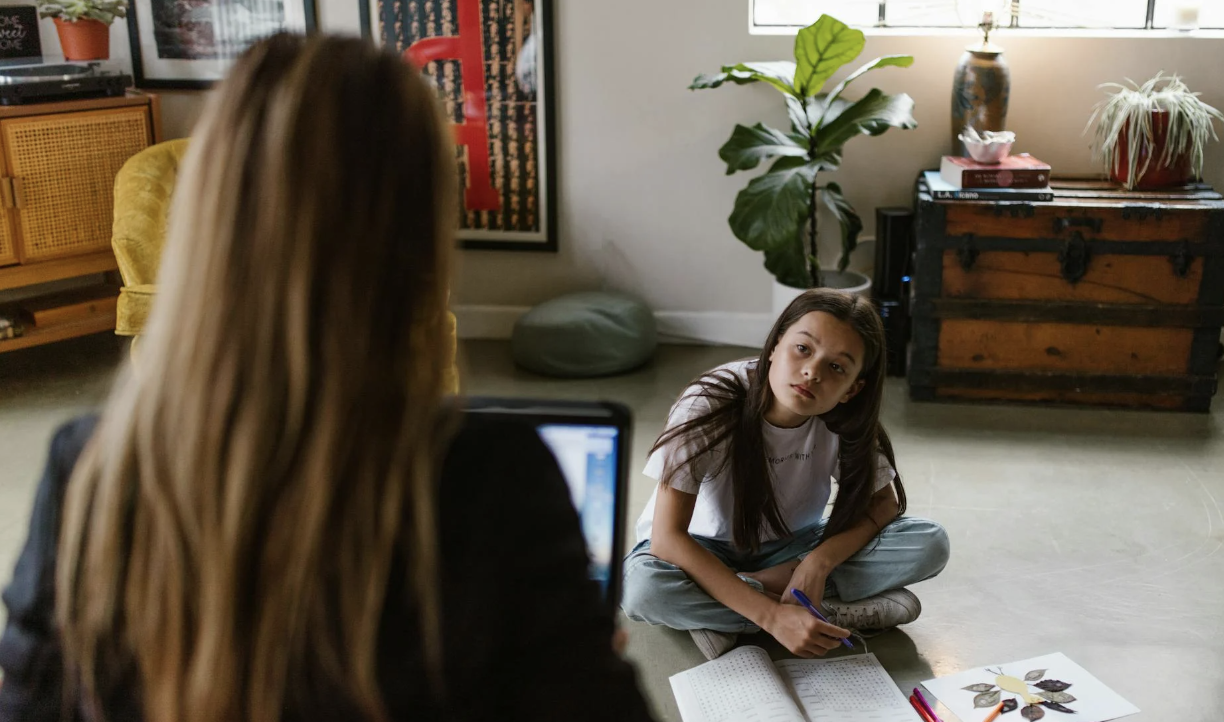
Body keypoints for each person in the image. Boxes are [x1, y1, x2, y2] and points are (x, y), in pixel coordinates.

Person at [0, 33, 651, 722]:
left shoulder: (89, 468)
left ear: (205, 217)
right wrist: (574, 659)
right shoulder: (493, 477)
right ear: (417, 234)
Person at [621, 289, 950, 660]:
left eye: (837, 367)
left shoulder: (844, 420)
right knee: (645, 590)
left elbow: (885, 503)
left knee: (930, 542)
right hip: (698, 548)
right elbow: (667, 539)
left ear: (851, 389)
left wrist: (816, 564)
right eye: (803, 349)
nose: (812, 372)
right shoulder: (709, 402)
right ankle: (827, 612)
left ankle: (726, 612)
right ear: (776, 345)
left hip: (792, 548)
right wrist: (773, 617)